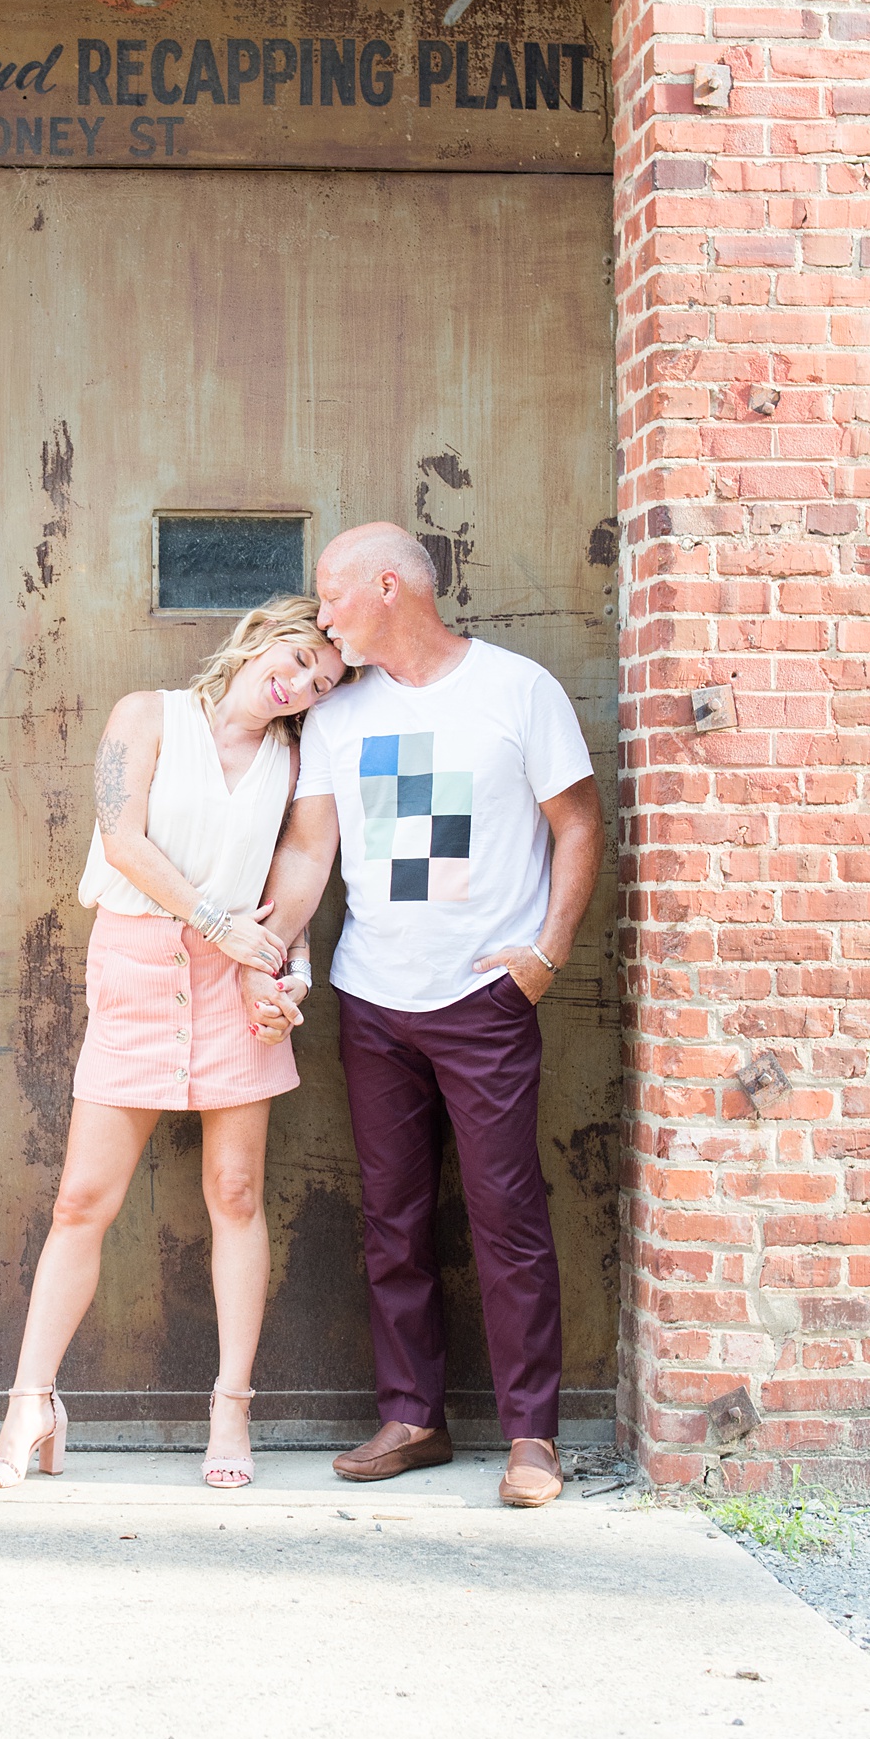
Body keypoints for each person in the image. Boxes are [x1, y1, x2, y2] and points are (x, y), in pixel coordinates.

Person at [244, 523, 604, 1510]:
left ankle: (532, 1437)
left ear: (392, 587)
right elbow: (311, 853)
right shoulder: (336, 716)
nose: (322, 619)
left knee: (508, 1219)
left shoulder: (513, 690)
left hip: (482, 999)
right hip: (371, 999)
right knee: (391, 1223)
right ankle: (412, 1416)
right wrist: (265, 949)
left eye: (333, 597)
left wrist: (546, 951)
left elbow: (576, 823)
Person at [0, 598, 350, 1494]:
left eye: (321, 684)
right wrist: (221, 925)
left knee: (236, 1190)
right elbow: (122, 839)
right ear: (263, 636)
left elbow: (302, 865)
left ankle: (231, 1407)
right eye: (297, 659)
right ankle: (31, 1404)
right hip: (139, 964)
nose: (298, 684)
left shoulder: (293, 758)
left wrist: (283, 962)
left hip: (237, 979)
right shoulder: (147, 716)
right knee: (82, 1200)